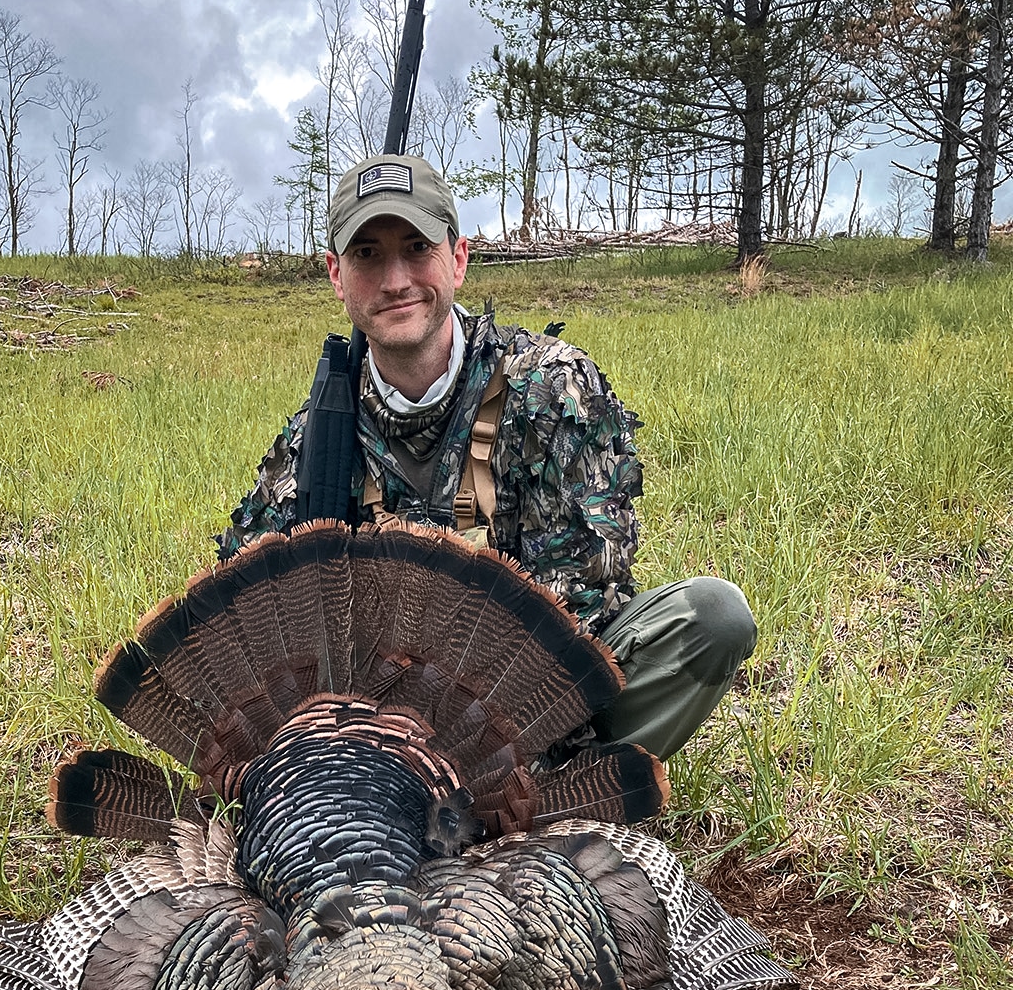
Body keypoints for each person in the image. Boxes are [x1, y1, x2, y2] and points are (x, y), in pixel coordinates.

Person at [220, 154, 756, 761]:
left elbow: (582, 596)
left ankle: (545, 797)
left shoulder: (553, 389)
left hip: (533, 709)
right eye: (367, 254)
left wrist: (467, 741)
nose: (396, 280)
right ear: (336, 276)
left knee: (712, 620)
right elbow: (248, 626)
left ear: (460, 258)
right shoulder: (315, 441)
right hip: (367, 739)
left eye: (418, 248)